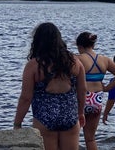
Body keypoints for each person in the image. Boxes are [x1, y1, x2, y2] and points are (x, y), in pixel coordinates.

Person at [13, 22, 87, 150]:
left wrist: (18, 123)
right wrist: (80, 113)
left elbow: (26, 97)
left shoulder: (34, 65)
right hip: (69, 115)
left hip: (44, 117)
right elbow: (83, 91)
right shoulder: (75, 62)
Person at [75, 32, 115, 150]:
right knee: (90, 138)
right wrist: (107, 88)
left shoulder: (77, 59)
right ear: (93, 45)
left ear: (80, 46)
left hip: (81, 100)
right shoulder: (104, 60)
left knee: (73, 136)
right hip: (97, 100)